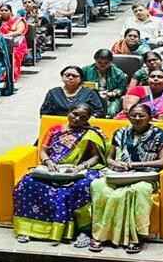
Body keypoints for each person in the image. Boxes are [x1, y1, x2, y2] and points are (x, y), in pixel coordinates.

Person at [12, 104, 107, 245]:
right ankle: (29, 230)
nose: (77, 119)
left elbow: (95, 157)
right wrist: (48, 162)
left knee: (83, 186)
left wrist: (80, 167)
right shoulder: (55, 129)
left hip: (76, 169)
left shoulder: (91, 133)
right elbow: (43, 150)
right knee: (28, 182)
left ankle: (83, 232)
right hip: (52, 168)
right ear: (69, 112)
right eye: (75, 114)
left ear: (88, 119)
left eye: (83, 117)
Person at [88, 103, 163, 254]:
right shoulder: (120, 133)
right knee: (98, 185)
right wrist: (116, 163)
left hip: (146, 175)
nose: (137, 118)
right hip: (120, 174)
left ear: (150, 118)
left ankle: (135, 238)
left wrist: (135, 164)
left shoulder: (159, 135)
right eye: (133, 115)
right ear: (128, 117)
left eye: (141, 115)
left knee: (139, 190)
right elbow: (109, 158)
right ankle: (100, 235)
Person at [80, 49, 130, 118]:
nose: (102, 65)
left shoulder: (119, 73)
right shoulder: (85, 70)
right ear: (95, 60)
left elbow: (121, 89)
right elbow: (80, 84)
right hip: (90, 96)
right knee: (84, 111)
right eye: (99, 62)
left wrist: (111, 94)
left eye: (106, 63)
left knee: (111, 113)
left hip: (110, 97)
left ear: (111, 62)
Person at [40, 66, 105, 117]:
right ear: (62, 77)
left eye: (74, 76)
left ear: (81, 79)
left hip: (83, 125)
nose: (70, 78)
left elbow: (99, 111)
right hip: (58, 125)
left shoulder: (90, 93)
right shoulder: (53, 93)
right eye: (67, 75)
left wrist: (90, 118)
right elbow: (44, 112)